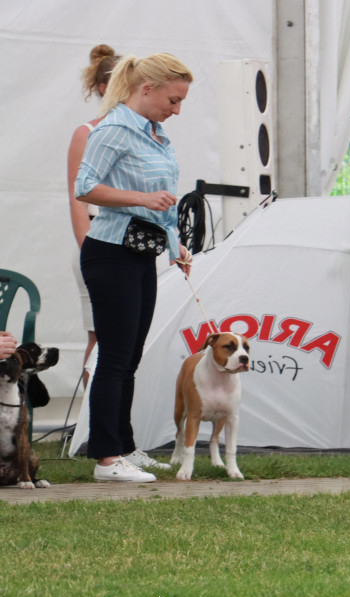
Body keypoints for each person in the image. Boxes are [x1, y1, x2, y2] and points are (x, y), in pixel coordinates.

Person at [74, 53, 194, 482]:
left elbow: (166, 198)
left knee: (130, 357)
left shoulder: (155, 134)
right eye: (173, 100)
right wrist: (140, 200)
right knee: (114, 356)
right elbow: (84, 186)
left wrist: (177, 248)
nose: (176, 110)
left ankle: (123, 445)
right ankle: (106, 458)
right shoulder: (113, 130)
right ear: (147, 89)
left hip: (142, 252)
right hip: (110, 253)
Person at [67, 44, 119, 387]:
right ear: (103, 87)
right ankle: (89, 424)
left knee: (124, 341)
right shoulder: (87, 132)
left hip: (131, 243)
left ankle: (116, 424)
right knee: (100, 337)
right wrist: (91, 250)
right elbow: (77, 199)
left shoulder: (146, 131)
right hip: (99, 239)